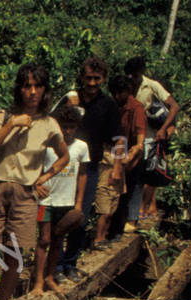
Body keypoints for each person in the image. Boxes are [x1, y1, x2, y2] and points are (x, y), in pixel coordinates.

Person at [0, 63, 69, 300]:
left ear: (45, 91)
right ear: (20, 89)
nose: (32, 92)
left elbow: (64, 157)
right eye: (27, 86)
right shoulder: (4, 116)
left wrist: (44, 178)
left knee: (14, 257)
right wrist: (12, 124)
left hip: (25, 196)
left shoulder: (49, 124)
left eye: (37, 86)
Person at [58, 57, 121, 281]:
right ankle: (55, 267)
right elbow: (51, 120)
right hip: (64, 166)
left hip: (90, 167)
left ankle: (70, 263)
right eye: (88, 78)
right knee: (59, 215)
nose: (92, 83)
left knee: (80, 216)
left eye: (97, 78)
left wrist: (117, 167)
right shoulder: (72, 99)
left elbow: (118, 138)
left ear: (103, 79)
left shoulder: (108, 104)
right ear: (81, 77)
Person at [31, 104, 89, 295]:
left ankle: (50, 277)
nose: (68, 131)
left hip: (66, 202)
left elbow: (82, 175)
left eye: (72, 127)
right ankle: (38, 281)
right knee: (44, 239)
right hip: (46, 201)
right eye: (64, 127)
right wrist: (37, 185)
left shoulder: (81, 147)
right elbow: (34, 170)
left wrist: (79, 203)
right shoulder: (47, 146)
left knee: (58, 240)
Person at [126, 57, 179, 220]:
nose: (133, 79)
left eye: (136, 76)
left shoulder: (152, 85)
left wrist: (164, 129)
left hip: (149, 135)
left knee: (143, 175)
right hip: (130, 135)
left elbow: (174, 106)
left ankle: (136, 214)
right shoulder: (125, 86)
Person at [94, 74, 145, 244]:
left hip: (129, 154)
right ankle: (105, 233)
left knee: (125, 193)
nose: (116, 97)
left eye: (119, 93)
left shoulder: (136, 108)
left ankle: (116, 231)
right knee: (110, 194)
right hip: (114, 153)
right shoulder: (113, 105)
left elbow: (140, 139)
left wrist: (131, 156)